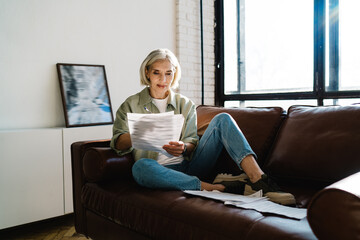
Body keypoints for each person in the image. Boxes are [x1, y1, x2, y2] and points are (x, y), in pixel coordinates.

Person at [110, 48, 295, 205]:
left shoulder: (185, 104)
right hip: (158, 170)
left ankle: (259, 180)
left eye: (168, 73)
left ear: (174, 74)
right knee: (140, 168)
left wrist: (183, 147)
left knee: (223, 118)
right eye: (157, 72)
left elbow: (192, 141)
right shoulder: (131, 104)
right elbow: (117, 143)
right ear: (147, 73)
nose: (163, 79)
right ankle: (215, 187)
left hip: (190, 165)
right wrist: (140, 134)